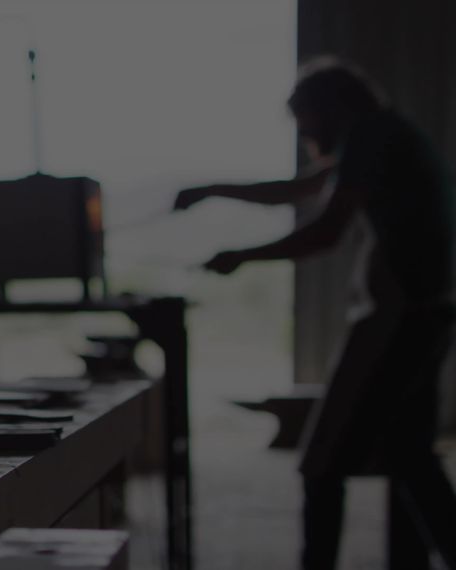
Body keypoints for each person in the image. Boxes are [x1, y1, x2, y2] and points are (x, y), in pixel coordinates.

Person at [174, 57, 456, 570]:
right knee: (410, 457)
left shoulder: (371, 135)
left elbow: (325, 232)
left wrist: (241, 257)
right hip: (431, 314)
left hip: (399, 317)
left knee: (323, 463)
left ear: (331, 108)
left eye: (304, 119)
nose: (305, 132)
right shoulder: (384, 135)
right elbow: (294, 189)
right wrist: (210, 190)